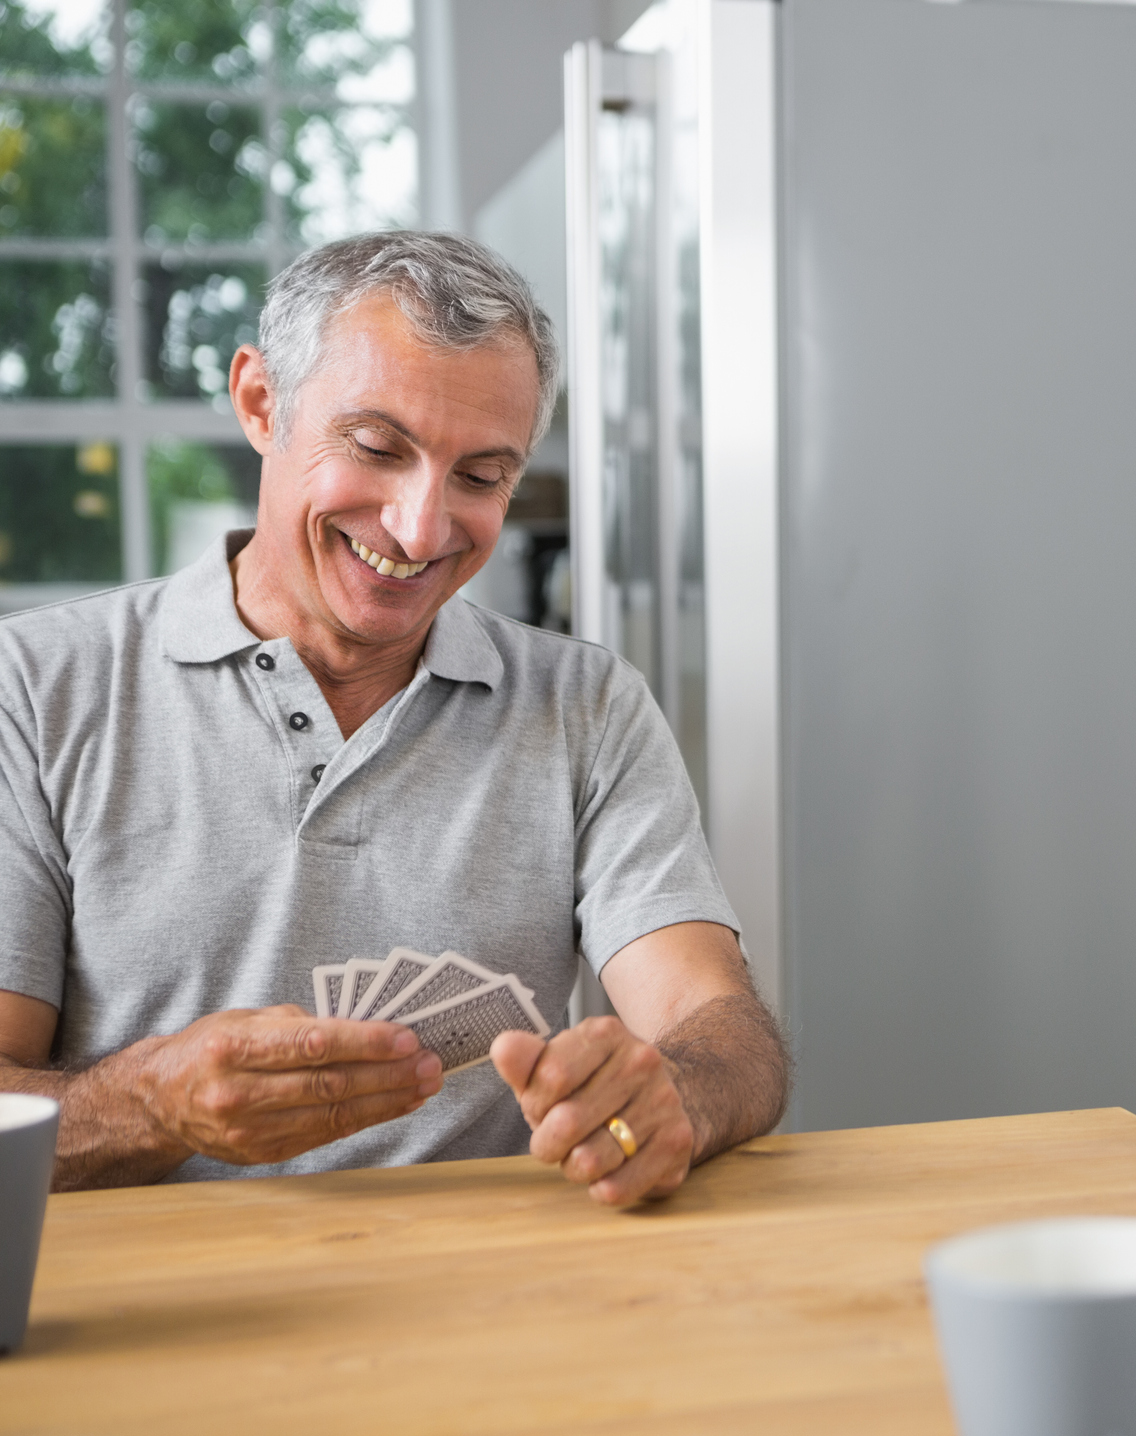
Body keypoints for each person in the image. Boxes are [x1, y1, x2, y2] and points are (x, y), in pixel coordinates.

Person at [0, 232, 788, 1206]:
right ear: (259, 403)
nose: (422, 530)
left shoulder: (586, 707)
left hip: (489, 1300)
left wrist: (678, 1096)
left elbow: (722, 1025)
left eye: (481, 476)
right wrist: (149, 1106)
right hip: (151, 1314)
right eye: (376, 449)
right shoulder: (33, 691)